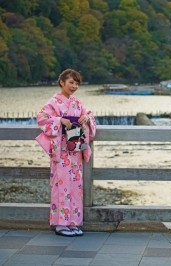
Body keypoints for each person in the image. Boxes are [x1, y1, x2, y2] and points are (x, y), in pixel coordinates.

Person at [36, 69, 96, 237]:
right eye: (71, 82)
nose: (74, 86)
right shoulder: (53, 102)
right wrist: (59, 120)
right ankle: (60, 223)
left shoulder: (77, 103)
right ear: (62, 82)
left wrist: (86, 118)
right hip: (61, 150)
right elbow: (41, 118)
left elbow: (89, 115)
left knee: (76, 187)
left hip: (75, 149)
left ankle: (73, 222)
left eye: (77, 83)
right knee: (61, 186)